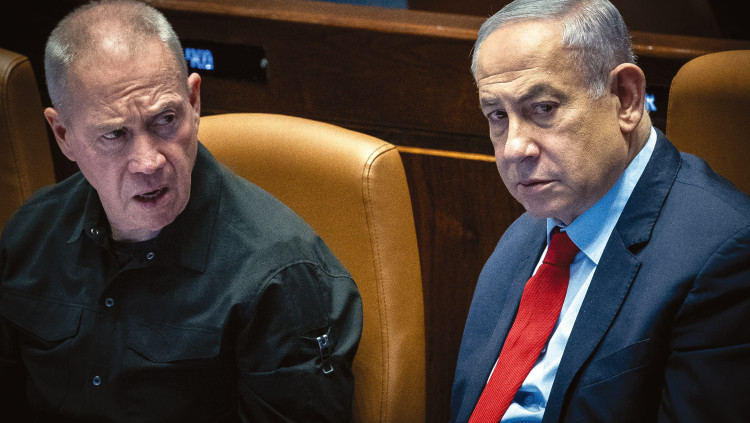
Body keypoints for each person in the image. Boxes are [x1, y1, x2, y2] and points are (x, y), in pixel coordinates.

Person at [0, 1, 362, 421]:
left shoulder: (280, 278)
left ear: (194, 101)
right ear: (63, 136)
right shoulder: (30, 235)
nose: (149, 161)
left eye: (166, 119)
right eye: (115, 134)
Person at [450, 0, 750, 422]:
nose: (515, 148)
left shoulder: (723, 256)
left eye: (544, 108)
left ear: (626, 98)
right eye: (498, 115)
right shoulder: (525, 236)